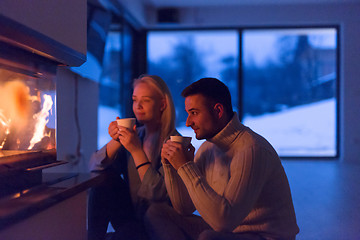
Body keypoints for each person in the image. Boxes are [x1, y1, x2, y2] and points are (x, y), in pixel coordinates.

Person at [145, 78, 299, 240]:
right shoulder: (208, 148)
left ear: (218, 111)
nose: (189, 122)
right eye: (188, 114)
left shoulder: (252, 150)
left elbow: (223, 222)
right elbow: (184, 207)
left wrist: (186, 167)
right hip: (228, 233)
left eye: (194, 113)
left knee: (209, 238)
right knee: (157, 212)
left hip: (264, 236)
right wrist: (170, 166)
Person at [88, 74, 178, 240]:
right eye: (135, 100)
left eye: (146, 100)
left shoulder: (174, 143)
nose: (138, 106)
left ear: (162, 104)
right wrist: (115, 141)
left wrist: (136, 151)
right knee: (105, 178)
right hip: (133, 217)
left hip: (160, 223)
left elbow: (157, 194)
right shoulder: (138, 135)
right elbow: (94, 167)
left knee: (127, 234)